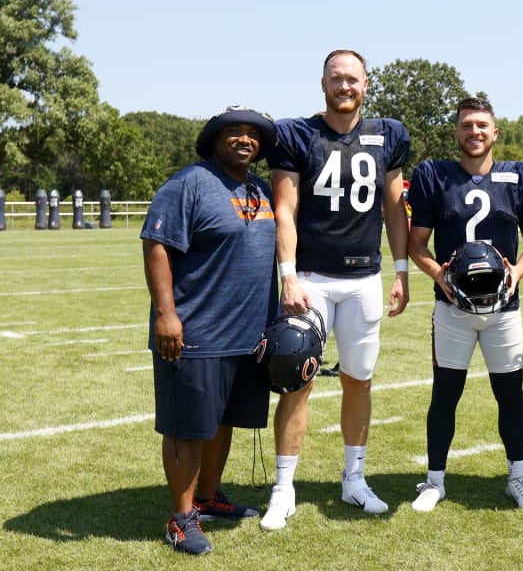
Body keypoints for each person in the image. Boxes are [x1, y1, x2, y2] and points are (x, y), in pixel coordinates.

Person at [260, 49, 411, 530]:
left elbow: (393, 209)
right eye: (335, 79)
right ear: (322, 83)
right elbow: (284, 210)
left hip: (364, 278)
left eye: (352, 79)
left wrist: (401, 270)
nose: (344, 87)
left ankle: (354, 479)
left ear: (366, 84)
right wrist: (288, 275)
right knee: (297, 379)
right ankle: (284, 488)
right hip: (311, 279)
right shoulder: (297, 134)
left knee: (359, 381)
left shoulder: (389, 135)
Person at [141, 106, 279, 555]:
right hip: (194, 331)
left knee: (224, 420)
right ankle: (181, 519)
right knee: (187, 428)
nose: (244, 140)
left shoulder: (258, 188)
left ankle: (208, 496)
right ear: (215, 140)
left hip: (248, 333)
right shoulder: (189, 183)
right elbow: (157, 245)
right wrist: (166, 314)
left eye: (252, 135)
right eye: (234, 133)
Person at [406, 97, 523, 512]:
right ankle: (434, 481)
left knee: (511, 394)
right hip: (452, 310)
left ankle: (517, 478)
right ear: (456, 132)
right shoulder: (434, 175)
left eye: (482, 125)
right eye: (467, 125)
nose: (475, 132)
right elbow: (417, 244)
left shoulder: (520, 177)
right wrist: (440, 276)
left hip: (504, 309)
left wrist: (515, 275)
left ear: (495, 133)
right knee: (445, 394)